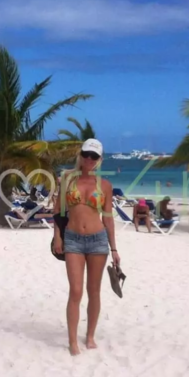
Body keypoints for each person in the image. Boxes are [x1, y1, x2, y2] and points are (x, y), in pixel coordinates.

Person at [52, 138, 120, 356]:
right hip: (73, 239)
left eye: (94, 156)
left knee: (94, 291)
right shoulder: (67, 180)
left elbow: (108, 218)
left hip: (98, 240)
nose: (89, 159)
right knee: (76, 290)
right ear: (80, 156)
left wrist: (114, 249)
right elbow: (58, 211)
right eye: (86, 155)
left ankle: (90, 335)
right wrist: (57, 237)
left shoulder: (105, 186)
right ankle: (72, 341)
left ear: (99, 159)